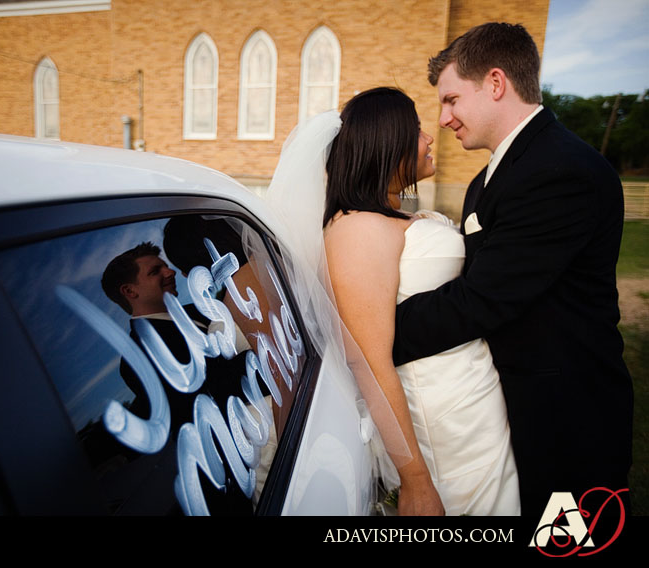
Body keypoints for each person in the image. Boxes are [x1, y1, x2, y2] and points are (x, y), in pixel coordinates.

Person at [392, 23, 633, 517]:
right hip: (505, 408)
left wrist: (371, 336)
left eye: (452, 99)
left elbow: (483, 298)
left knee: (567, 543)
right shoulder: (489, 176)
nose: (444, 119)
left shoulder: (561, 170)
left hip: (566, 418)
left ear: (496, 83)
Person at [267, 88, 520, 516]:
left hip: (472, 399)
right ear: (390, 142)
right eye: (418, 129)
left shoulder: (392, 217)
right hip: (439, 419)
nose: (429, 137)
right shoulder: (356, 231)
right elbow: (367, 360)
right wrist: (415, 480)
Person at [101, 241, 250, 514]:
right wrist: (262, 357)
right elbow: (205, 398)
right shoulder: (138, 356)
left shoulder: (196, 309)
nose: (170, 272)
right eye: (155, 271)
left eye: (166, 266)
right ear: (129, 291)